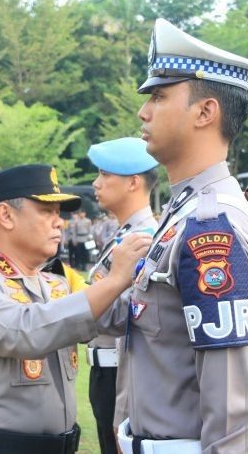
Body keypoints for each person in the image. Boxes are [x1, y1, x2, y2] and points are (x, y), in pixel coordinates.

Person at [97, 18, 248, 453]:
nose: (144, 111)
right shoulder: (181, 214)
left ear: (205, 112)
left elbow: (228, 401)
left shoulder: (210, 225)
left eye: (158, 96)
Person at [0, 164, 150, 453]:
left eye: (58, 213)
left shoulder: (54, 284)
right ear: (6, 215)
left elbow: (114, 317)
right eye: (45, 211)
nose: (58, 222)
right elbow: (23, 332)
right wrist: (114, 280)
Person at [85, 137, 159, 454]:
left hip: (122, 374)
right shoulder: (126, 233)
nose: (96, 183)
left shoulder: (144, 237)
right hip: (106, 369)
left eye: (105, 174)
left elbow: (134, 313)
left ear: (133, 182)